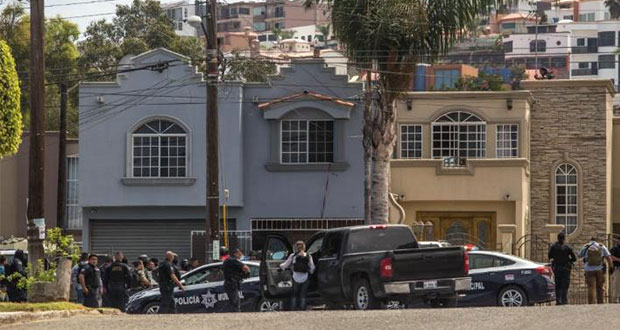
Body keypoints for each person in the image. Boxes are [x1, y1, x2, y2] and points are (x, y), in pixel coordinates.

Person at [280, 241, 316, 311]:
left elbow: (285, 265)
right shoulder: (308, 256)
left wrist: (280, 266)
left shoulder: (293, 256)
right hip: (305, 277)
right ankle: (302, 308)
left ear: (296, 247)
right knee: (303, 294)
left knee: (294, 294)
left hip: (295, 277)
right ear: (304, 247)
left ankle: (293, 308)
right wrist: (310, 273)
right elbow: (312, 267)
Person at [578, 237, 612, 304]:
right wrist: (611, 267)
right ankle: (601, 302)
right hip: (600, 269)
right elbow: (608, 257)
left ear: (590, 240)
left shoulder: (586, 246)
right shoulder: (601, 246)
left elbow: (579, 255)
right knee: (600, 287)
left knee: (591, 287)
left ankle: (591, 303)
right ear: (597, 240)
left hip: (589, 269)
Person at [548, 232, 576, 305]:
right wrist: (568, 260)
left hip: (557, 267)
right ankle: (564, 300)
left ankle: (558, 300)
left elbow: (550, 256)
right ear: (564, 239)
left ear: (557, 238)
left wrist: (556, 258)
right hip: (566, 268)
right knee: (565, 285)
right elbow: (574, 258)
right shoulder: (567, 247)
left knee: (558, 285)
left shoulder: (553, 247)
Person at [610, 237, 620, 303]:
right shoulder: (614, 248)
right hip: (617, 269)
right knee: (616, 285)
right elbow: (610, 257)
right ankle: (614, 301)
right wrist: (618, 259)